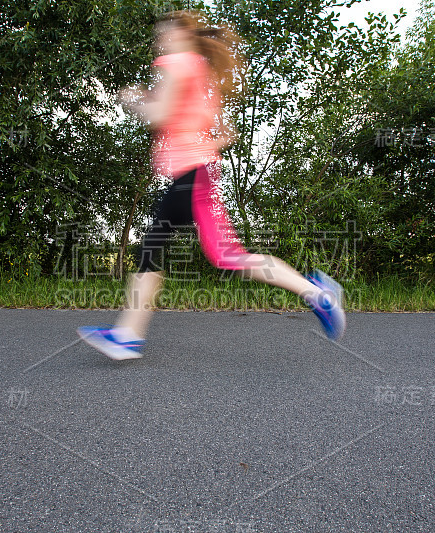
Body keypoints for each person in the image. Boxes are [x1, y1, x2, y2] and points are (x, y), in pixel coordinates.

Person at [78, 10, 345, 360]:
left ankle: (128, 334)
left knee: (176, 249)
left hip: (191, 176)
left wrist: (132, 99)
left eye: (166, 34)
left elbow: (161, 114)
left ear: (183, 37)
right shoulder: (197, 71)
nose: (161, 41)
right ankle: (316, 292)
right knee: (218, 254)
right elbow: (205, 127)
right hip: (194, 174)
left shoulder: (177, 63)